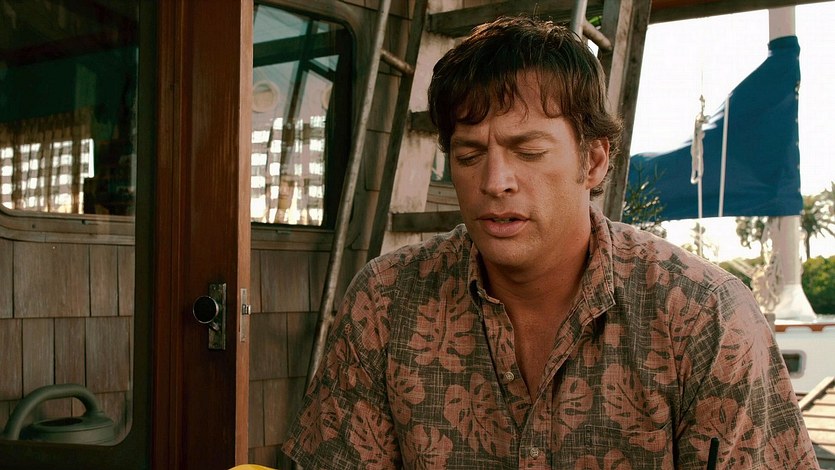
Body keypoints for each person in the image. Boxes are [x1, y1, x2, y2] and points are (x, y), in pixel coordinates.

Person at [283, 16, 818, 468]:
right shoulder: (386, 302)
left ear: (594, 160)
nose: (495, 182)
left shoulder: (704, 319)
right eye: (469, 156)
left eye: (529, 152)